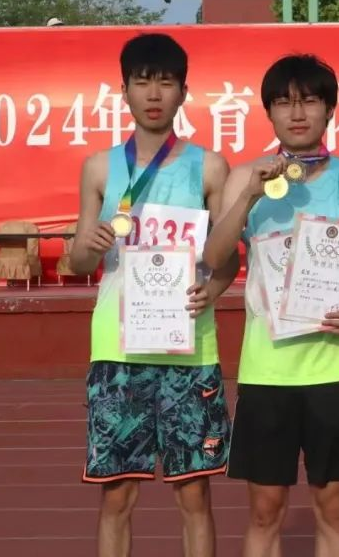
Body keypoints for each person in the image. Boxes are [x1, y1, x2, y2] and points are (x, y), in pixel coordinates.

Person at [68, 33, 239, 557]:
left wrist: (211, 290)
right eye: (142, 82)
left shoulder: (210, 167)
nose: (154, 94)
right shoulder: (100, 167)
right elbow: (78, 263)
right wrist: (90, 245)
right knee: (117, 494)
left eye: (166, 82)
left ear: (184, 92)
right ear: (124, 91)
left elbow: (227, 259)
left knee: (194, 494)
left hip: (189, 347)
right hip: (118, 350)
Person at [203, 54, 339, 557]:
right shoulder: (244, 177)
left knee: (333, 507)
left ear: (330, 109)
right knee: (265, 510)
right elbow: (215, 257)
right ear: (269, 112)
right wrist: (250, 197)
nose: (297, 113)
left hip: (332, 371)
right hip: (267, 373)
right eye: (283, 102)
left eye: (309, 101)